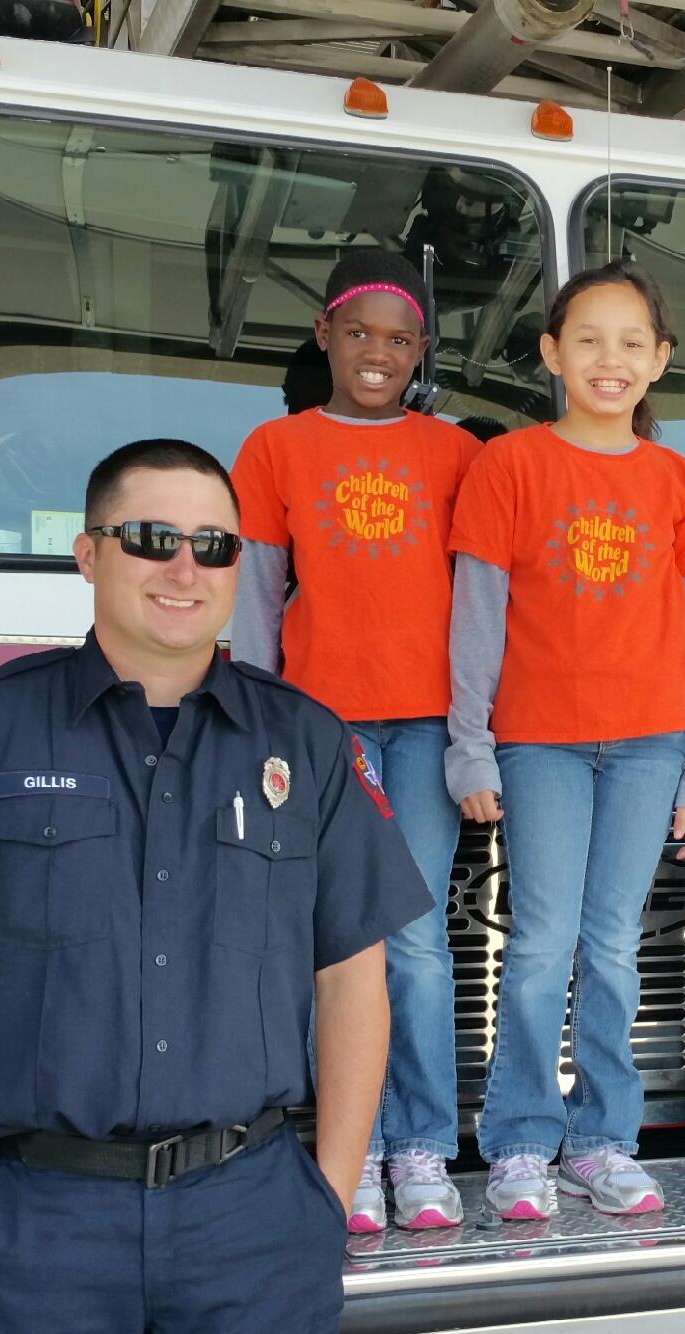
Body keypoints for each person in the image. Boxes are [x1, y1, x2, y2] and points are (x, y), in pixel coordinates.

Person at [0, 439, 432, 1334]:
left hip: (255, 1221)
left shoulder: (309, 745)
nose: (184, 568)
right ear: (88, 555)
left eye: (213, 544)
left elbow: (353, 980)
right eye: (151, 539)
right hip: (39, 1224)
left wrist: (324, 1194)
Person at [445, 261, 685, 1218]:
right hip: (540, 745)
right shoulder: (509, 466)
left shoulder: (679, 484)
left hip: (651, 746)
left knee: (613, 948)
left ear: (658, 361)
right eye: (589, 339)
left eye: (631, 342)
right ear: (552, 354)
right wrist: (470, 744)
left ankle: (604, 1142)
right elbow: (476, 620)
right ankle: (522, 1144)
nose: (611, 359)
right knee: (539, 944)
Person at [227, 251, 487, 1234]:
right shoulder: (274, 450)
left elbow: (480, 607)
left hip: (425, 727)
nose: (377, 353)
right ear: (325, 337)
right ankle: (357, 1150)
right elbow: (253, 601)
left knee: (417, 942)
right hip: (318, 726)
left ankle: (421, 1148)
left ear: (419, 352)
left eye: (399, 338)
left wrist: (476, 731)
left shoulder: (457, 453)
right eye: (359, 333)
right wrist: (253, 720)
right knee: (341, 943)